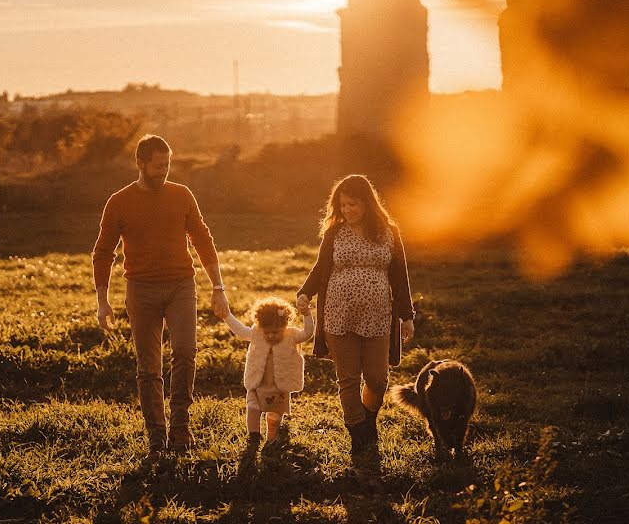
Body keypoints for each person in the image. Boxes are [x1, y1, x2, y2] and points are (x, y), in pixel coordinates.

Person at [92, 134, 229, 459]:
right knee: (149, 367)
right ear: (140, 163)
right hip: (141, 290)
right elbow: (103, 251)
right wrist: (102, 300)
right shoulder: (119, 201)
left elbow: (202, 238)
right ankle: (157, 437)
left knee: (185, 353)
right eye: (157, 166)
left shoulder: (181, 195)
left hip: (181, 285)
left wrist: (218, 286)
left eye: (167, 164)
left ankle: (180, 429)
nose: (163, 171)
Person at [296, 174, 415, 454]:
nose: (347, 210)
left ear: (367, 203)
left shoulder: (389, 232)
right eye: (343, 205)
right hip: (339, 315)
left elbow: (400, 276)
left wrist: (407, 315)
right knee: (348, 379)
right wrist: (305, 292)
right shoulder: (334, 233)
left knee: (377, 379)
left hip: (378, 317)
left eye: (353, 204)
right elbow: (320, 268)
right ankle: (359, 434)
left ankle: (366, 423)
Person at [219, 296, 315, 447]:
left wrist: (307, 314)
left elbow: (307, 334)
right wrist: (227, 316)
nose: (271, 335)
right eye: (267, 332)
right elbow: (240, 330)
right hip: (257, 383)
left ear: (285, 325)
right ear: (260, 326)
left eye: (276, 332)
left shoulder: (291, 335)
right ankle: (254, 435)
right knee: (253, 407)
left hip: (279, 385)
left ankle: (272, 438)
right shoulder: (256, 333)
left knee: (275, 414)